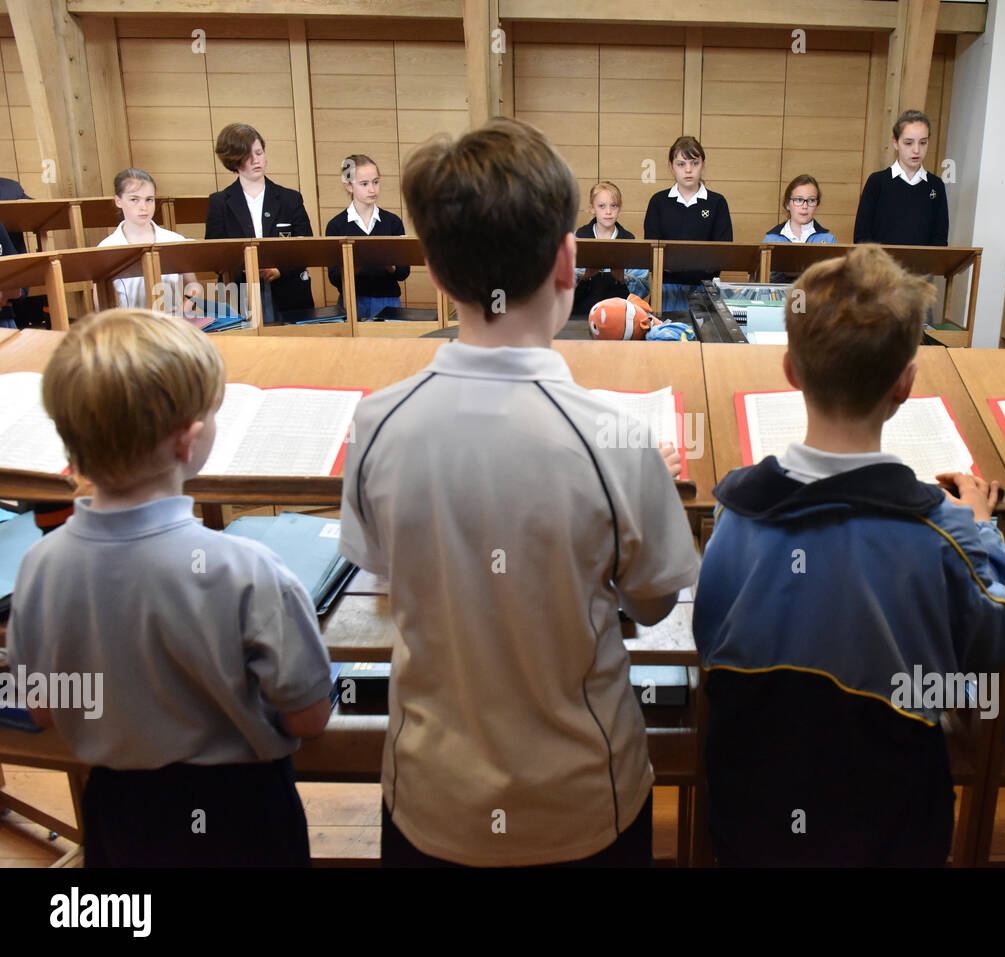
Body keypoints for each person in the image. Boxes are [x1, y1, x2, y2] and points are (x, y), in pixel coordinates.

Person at [340, 118, 699, 868]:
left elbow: (380, 568)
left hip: (429, 795)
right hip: (579, 799)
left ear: (434, 274)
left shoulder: (377, 423)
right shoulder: (615, 441)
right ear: (569, 260)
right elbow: (655, 602)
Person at [693, 244, 1005, 866]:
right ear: (906, 382)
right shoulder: (944, 529)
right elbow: (993, 640)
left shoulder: (736, 515)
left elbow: (713, 643)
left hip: (752, 812)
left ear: (790, 369)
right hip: (891, 824)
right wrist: (985, 530)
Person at [7, 309, 333, 867]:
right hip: (243, 814)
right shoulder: (247, 569)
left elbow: (40, 707)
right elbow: (309, 715)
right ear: (189, 441)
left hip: (120, 809)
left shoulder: (40, 567)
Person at [205, 123, 314, 320]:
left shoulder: (291, 198)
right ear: (233, 160)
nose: (257, 160)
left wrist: (279, 270)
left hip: (289, 292)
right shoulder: (219, 202)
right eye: (248, 156)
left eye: (259, 152)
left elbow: (306, 246)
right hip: (240, 293)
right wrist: (242, 266)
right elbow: (214, 254)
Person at [97, 168, 200, 321]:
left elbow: (194, 288)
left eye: (149, 199)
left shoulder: (175, 241)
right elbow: (101, 306)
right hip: (130, 329)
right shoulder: (106, 248)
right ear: (118, 201)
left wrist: (179, 314)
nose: (143, 207)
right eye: (134, 200)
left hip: (174, 326)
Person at [643, 136, 733, 311]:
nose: (688, 170)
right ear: (671, 167)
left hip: (705, 289)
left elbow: (722, 252)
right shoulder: (658, 201)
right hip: (666, 290)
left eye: (695, 163)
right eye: (681, 164)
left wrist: (683, 266)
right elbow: (653, 249)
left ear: (703, 164)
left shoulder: (717, 202)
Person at [324, 154, 410, 319]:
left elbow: (404, 271)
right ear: (349, 186)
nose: (372, 189)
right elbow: (334, 277)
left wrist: (391, 266)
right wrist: (354, 265)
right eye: (364, 184)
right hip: (353, 300)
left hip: (388, 300)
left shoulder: (392, 222)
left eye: (376, 182)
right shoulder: (336, 226)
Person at [853, 110, 948, 246]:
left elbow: (940, 239)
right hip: (881, 265)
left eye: (923, 143)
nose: (916, 150)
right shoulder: (877, 182)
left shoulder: (936, 185)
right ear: (896, 143)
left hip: (923, 266)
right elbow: (862, 236)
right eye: (909, 143)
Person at [573, 181, 641, 315]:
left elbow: (642, 287)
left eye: (613, 206)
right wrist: (585, 278)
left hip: (619, 314)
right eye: (602, 206)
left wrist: (622, 280)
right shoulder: (578, 238)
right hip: (581, 312)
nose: (608, 212)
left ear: (619, 209)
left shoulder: (629, 241)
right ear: (592, 208)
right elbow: (563, 286)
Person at [762, 175, 836, 244]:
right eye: (799, 200)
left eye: (811, 200)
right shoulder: (771, 239)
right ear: (787, 204)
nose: (805, 206)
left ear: (817, 204)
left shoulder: (828, 240)